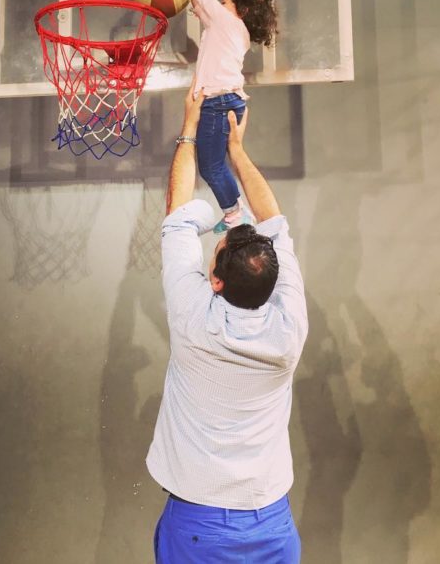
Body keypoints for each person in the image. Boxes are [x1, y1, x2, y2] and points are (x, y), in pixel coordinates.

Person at [146, 84, 308, 563]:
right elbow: (273, 218)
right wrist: (236, 150)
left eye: (215, 252)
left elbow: (178, 212)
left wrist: (190, 129)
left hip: (198, 526)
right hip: (272, 523)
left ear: (214, 282)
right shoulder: (290, 327)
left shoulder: (193, 315)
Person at [161, 0, 278, 233]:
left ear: (242, 10)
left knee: (211, 166)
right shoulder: (230, 28)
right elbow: (200, 6)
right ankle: (234, 211)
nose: (220, 6)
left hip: (219, 101)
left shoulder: (228, 23)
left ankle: (236, 213)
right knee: (214, 164)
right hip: (226, 101)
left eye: (225, 2)